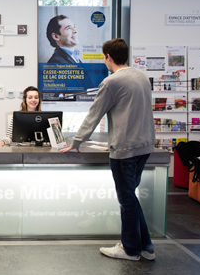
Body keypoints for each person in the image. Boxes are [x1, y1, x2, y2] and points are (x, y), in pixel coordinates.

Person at [61, 38, 156, 261]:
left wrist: (76, 142)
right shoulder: (141, 76)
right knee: (131, 196)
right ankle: (146, 247)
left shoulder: (111, 82)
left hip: (125, 149)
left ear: (108, 57)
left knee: (126, 200)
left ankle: (130, 249)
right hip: (145, 145)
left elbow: (94, 114)